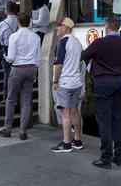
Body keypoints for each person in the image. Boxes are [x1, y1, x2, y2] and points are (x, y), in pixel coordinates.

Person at [80, 16, 121, 169]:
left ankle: (105, 158)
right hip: (119, 81)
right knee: (118, 120)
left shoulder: (100, 42)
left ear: (106, 26)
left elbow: (83, 56)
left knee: (104, 121)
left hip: (103, 83)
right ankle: (119, 157)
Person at [0, 12, 40, 140]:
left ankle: (7, 128)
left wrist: (3, 55)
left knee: (11, 99)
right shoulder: (36, 37)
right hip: (31, 68)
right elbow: (38, 58)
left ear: (18, 23)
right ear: (29, 22)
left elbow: (11, 58)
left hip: (18, 69)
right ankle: (23, 130)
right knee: (26, 101)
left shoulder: (14, 37)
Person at [50, 17, 84, 153]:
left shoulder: (62, 43)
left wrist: (55, 81)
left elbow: (58, 66)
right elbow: (81, 63)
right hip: (76, 83)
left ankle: (66, 143)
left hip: (64, 83)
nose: (56, 28)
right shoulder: (77, 42)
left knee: (65, 114)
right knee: (75, 112)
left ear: (66, 28)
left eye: (58, 26)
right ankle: (78, 140)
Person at [0, 1, 19, 104]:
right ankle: (17, 96)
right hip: (19, 50)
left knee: (7, 74)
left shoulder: (3, 24)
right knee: (17, 74)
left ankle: (6, 97)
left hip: (7, 49)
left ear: (6, 10)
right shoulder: (19, 21)